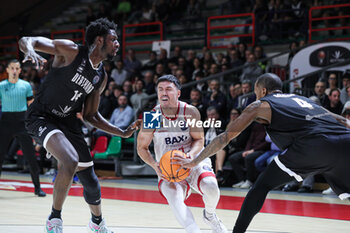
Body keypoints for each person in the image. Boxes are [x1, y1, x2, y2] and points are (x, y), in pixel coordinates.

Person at [175, 73, 350, 232]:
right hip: (345, 142)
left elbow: (225, 137)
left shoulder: (261, 104)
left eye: (256, 92)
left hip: (313, 145)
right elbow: (343, 120)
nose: (255, 96)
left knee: (261, 186)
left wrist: (195, 160)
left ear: (263, 90)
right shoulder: (302, 99)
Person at [19, 18, 141, 233]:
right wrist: (29, 49)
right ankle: (54, 218)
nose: (117, 44)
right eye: (114, 39)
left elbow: (91, 115)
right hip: (41, 116)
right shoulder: (71, 51)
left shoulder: (100, 76)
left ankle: (97, 223)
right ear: (100, 40)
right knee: (70, 159)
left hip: (67, 122)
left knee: (92, 183)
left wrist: (121, 132)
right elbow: (27, 40)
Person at [137, 75, 227, 233]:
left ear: (178, 93)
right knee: (174, 197)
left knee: (211, 186)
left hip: (193, 159)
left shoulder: (190, 112)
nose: (164, 93)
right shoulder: (152, 117)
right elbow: (142, 147)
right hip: (168, 167)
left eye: (168, 89)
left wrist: (190, 156)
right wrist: (154, 165)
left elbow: (199, 139)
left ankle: (210, 216)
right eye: (160, 89)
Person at [0, 59, 46, 197]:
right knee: (0, 156)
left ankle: (38, 188)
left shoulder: (25, 85)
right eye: (12, 68)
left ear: (20, 71)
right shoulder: (1, 86)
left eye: (17, 68)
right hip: (6, 122)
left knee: (31, 156)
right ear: (7, 70)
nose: (14, 71)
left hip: (22, 122)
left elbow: (31, 105)